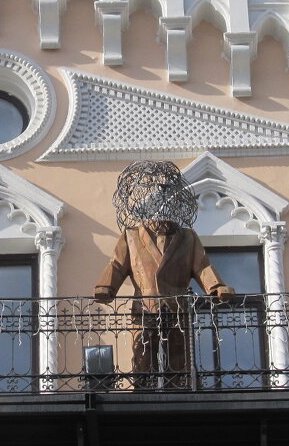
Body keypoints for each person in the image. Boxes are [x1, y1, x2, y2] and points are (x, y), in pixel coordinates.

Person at [93, 161, 234, 388]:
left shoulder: (188, 237)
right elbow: (117, 265)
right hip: (145, 304)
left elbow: (202, 266)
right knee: (143, 349)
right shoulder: (131, 236)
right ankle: (142, 385)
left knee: (178, 350)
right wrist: (106, 287)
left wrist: (216, 287)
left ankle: (178, 385)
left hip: (176, 303)